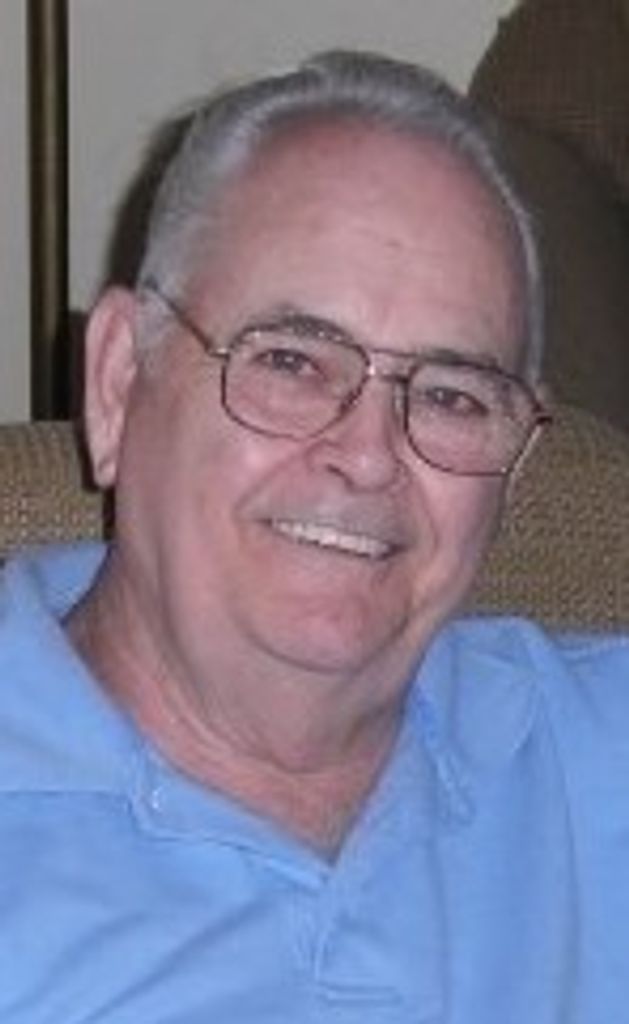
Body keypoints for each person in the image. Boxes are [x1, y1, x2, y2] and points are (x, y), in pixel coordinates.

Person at [2, 50, 628, 1023]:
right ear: (119, 382)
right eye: (290, 361)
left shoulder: (593, 753)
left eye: (453, 396)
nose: (368, 456)